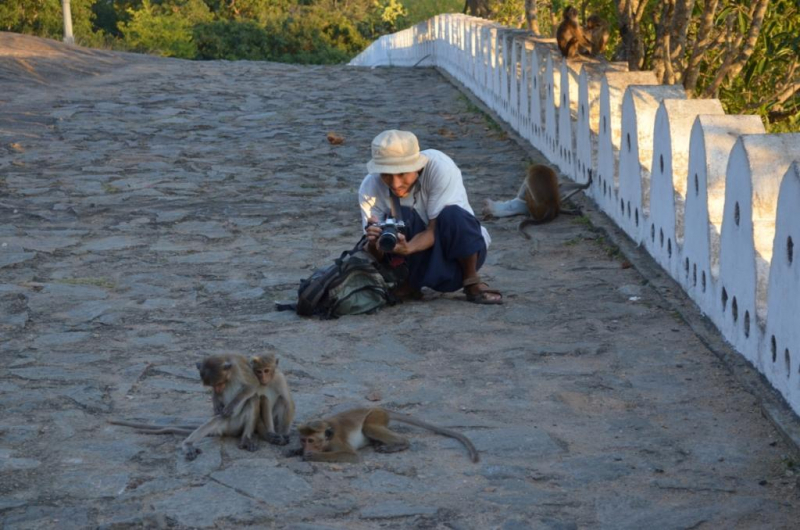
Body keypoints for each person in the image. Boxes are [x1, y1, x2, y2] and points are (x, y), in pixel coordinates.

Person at [358, 130, 502, 304]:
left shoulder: (440, 166)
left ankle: (471, 281)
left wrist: (409, 247)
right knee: (393, 220)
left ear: (417, 166)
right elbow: (375, 252)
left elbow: (435, 228)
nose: (395, 184)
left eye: (402, 173)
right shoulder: (370, 186)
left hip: (457, 255)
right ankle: (410, 283)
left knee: (453, 214)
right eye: (386, 175)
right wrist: (374, 243)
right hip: (410, 264)